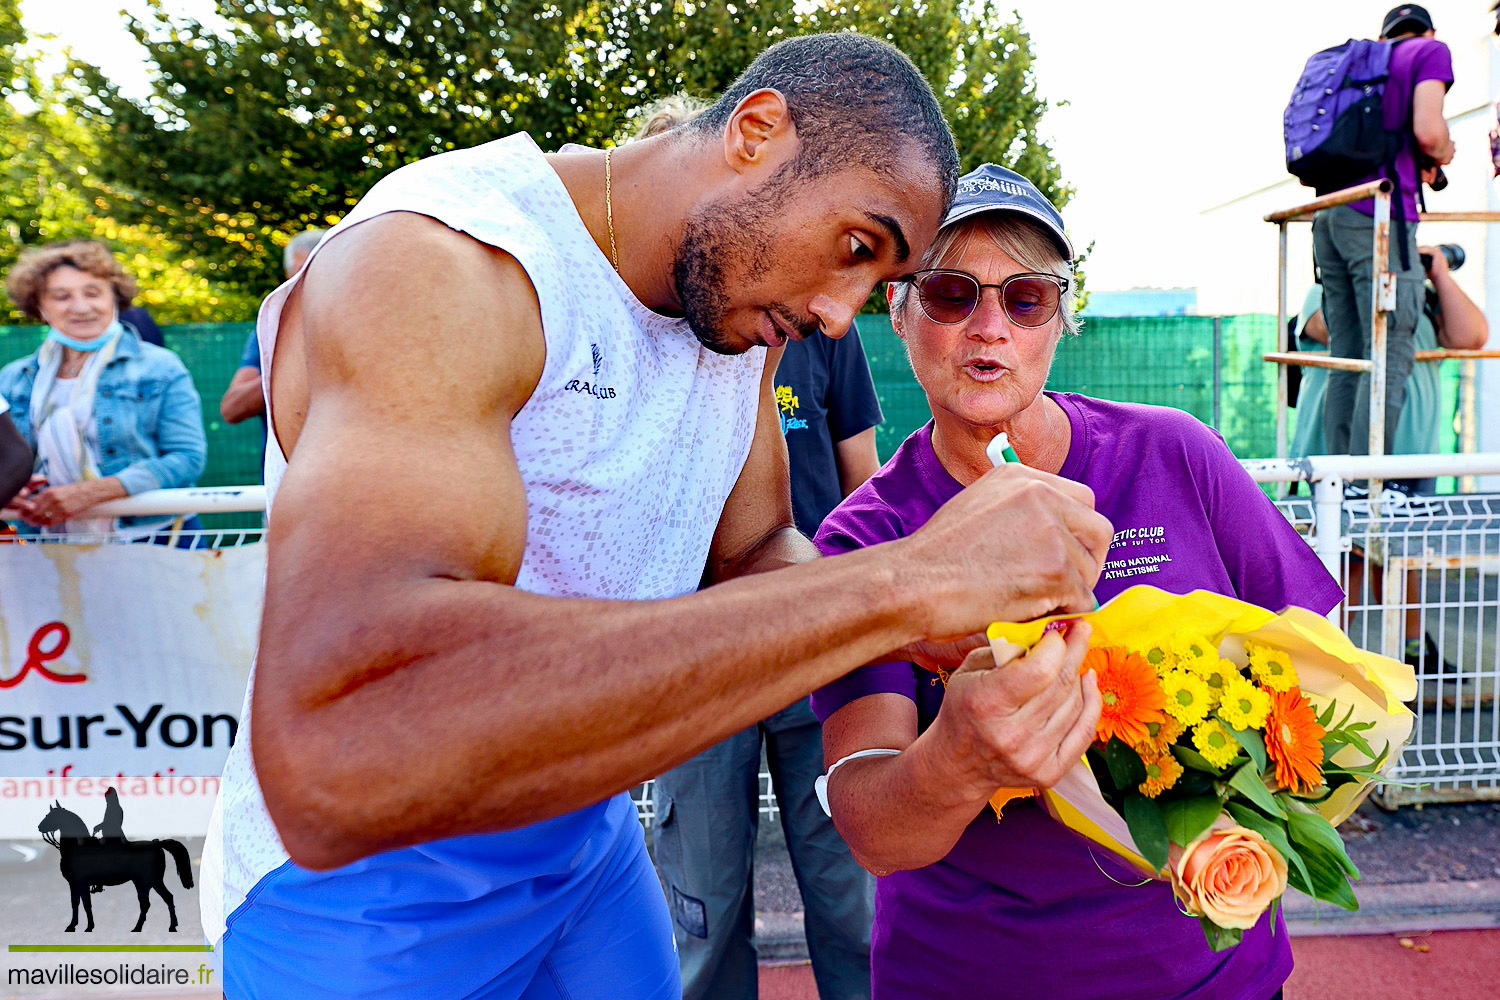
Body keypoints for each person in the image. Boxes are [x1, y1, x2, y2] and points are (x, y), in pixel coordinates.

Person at [205, 33, 1114, 1000]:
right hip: (367, 885)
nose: (843, 313)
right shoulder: (443, 266)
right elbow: (343, 740)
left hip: (587, 840)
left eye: (878, 281)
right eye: (856, 247)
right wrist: (906, 581)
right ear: (758, 131)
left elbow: (755, 548)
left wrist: (938, 632)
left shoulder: (734, 315)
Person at [810, 164, 1346, 1000]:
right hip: (972, 977)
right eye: (952, 293)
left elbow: (1320, 663)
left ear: (1060, 317)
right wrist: (959, 755)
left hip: (1215, 974)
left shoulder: (1177, 452)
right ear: (900, 309)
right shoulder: (866, 536)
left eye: (1025, 299)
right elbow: (871, 824)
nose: (991, 328)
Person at [633, 89, 882, 1000]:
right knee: (701, 905)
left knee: (851, 894)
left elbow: (866, 484)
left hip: (810, 650)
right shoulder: (640, 339)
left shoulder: (804, 323)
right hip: (696, 661)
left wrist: (869, 600)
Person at [1289, 245, 1487, 674]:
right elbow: (1351, 331)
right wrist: (1383, 279)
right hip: (1343, 453)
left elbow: (1472, 335)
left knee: (1400, 552)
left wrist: (1438, 276)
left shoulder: (1425, 301)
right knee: (1348, 557)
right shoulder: (1323, 293)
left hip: (1409, 454)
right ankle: (1328, 661)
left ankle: (1413, 649)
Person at [1315, 4, 1453, 479]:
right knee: (1391, 353)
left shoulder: (1366, 62)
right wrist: (1445, 149)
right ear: (1428, 31)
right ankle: (1373, 485)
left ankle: (1336, 482)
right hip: (1378, 219)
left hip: (1328, 216)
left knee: (1349, 356)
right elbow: (1430, 132)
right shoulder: (1428, 52)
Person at [0, 239, 207, 539]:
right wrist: (15, 489)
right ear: (39, 307)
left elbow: (188, 458)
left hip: (155, 539)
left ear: (115, 298)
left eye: (93, 293)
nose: (81, 307)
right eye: (61, 296)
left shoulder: (160, 367)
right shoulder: (14, 377)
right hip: (48, 543)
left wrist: (91, 493)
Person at [220, 229, 326, 429]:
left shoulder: (367, 325)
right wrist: (296, 368)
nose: (314, 279)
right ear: (288, 274)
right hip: (291, 461)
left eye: (325, 270)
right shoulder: (273, 327)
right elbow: (232, 407)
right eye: (303, 271)